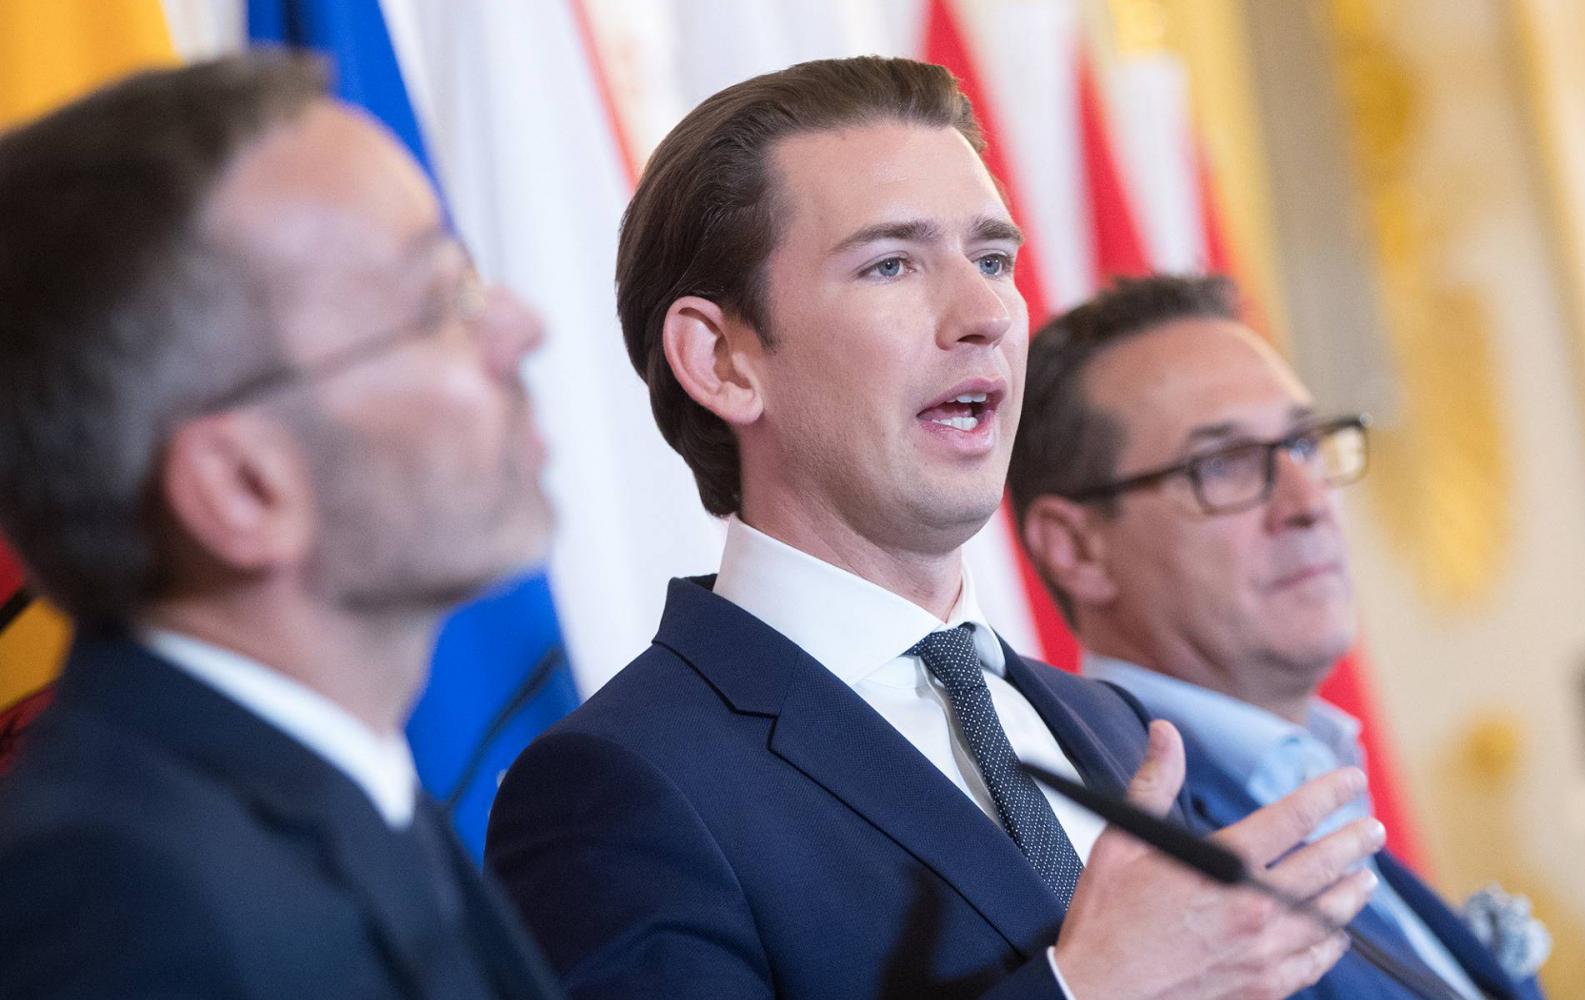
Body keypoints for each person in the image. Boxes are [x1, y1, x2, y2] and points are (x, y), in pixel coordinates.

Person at [487, 56, 1382, 1000]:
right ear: (721, 360)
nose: (986, 313)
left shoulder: (1109, 726)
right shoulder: (622, 781)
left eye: (993, 260)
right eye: (892, 264)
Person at [0, 53, 563, 999]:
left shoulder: (344, 787)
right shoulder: (129, 913)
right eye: (438, 303)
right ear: (244, 489)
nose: (520, 328)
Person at [1009, 273, 1546, 1000]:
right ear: (1077, 548)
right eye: (1222, 465)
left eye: (1302, 443)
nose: (1307, 501)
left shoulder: (1313, 774)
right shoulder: (1097, 846)